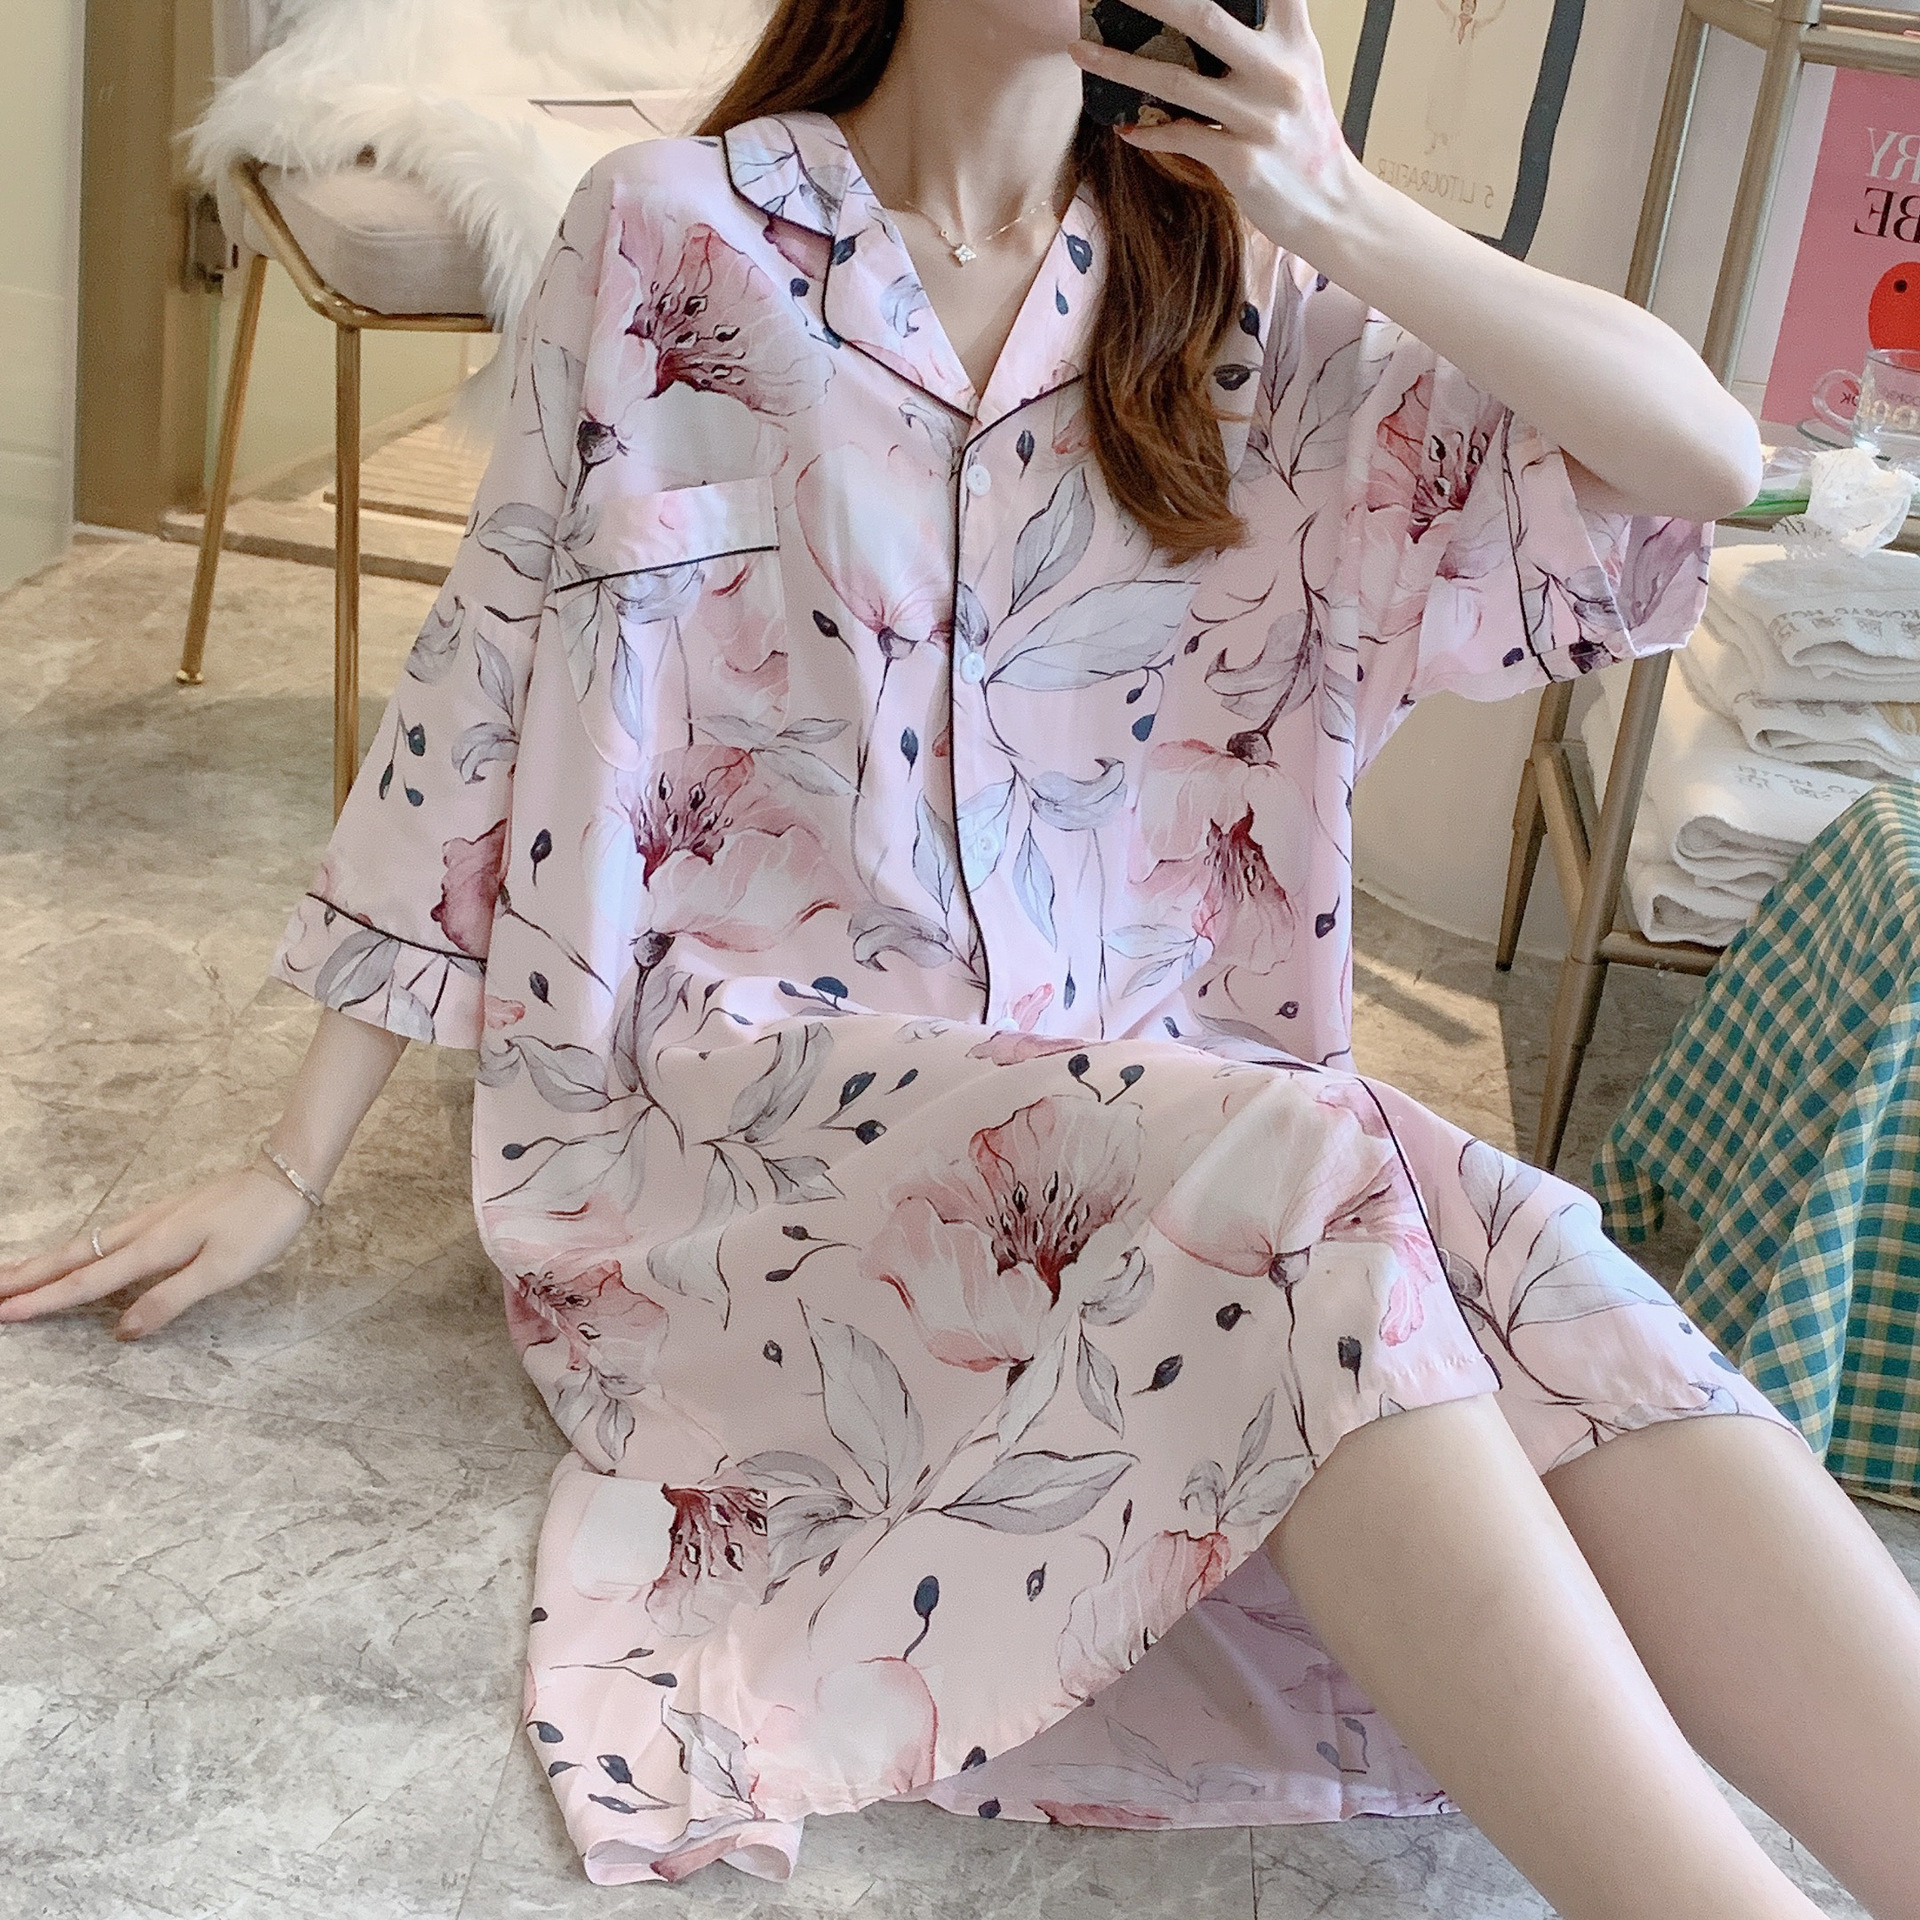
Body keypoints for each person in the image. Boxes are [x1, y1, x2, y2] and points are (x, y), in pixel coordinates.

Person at [5, 0, 1918, 1908]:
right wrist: (290, 1164)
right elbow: (488, 676)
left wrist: (1332, 202)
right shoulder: (678, 232)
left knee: (1507, 1251)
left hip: (1160, 1101)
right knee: (1313, 1182)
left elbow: (1692, 456)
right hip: (754, 1133)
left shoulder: (1232, 286)